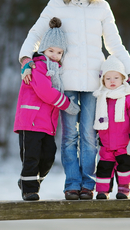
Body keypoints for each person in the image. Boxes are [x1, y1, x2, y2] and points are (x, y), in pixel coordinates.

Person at [18, 0, 130, 200]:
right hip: (66, 82)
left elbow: (115, 45)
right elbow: (35, 34)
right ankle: (72, 184)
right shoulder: (56, 4)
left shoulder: (102, 7)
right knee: (69, 137)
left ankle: (88, 184)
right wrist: (26, 59)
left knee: (88, 136)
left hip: (95, 83)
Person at [14, 17, 80, 201]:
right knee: (31, 157)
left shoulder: (57, 71)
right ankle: (29, 190)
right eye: (51, 50)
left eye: (59, 52)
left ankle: (29, 182)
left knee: (49, 156)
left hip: (47, 124)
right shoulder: (38, 66)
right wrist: (67, 105)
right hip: (31, 120)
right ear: (43, 48)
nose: (54, 55)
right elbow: (45, 92)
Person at [93, 55, 130, 199]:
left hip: (125, 143)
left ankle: (123, 190)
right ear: (103, 80)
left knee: (125, 167)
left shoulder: (129, 97)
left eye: (116, 77)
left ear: (123, 79)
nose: (112, 81)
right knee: (104, 168)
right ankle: (103, 191)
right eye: (108, 78)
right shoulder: (101, 98)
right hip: (106, 144)